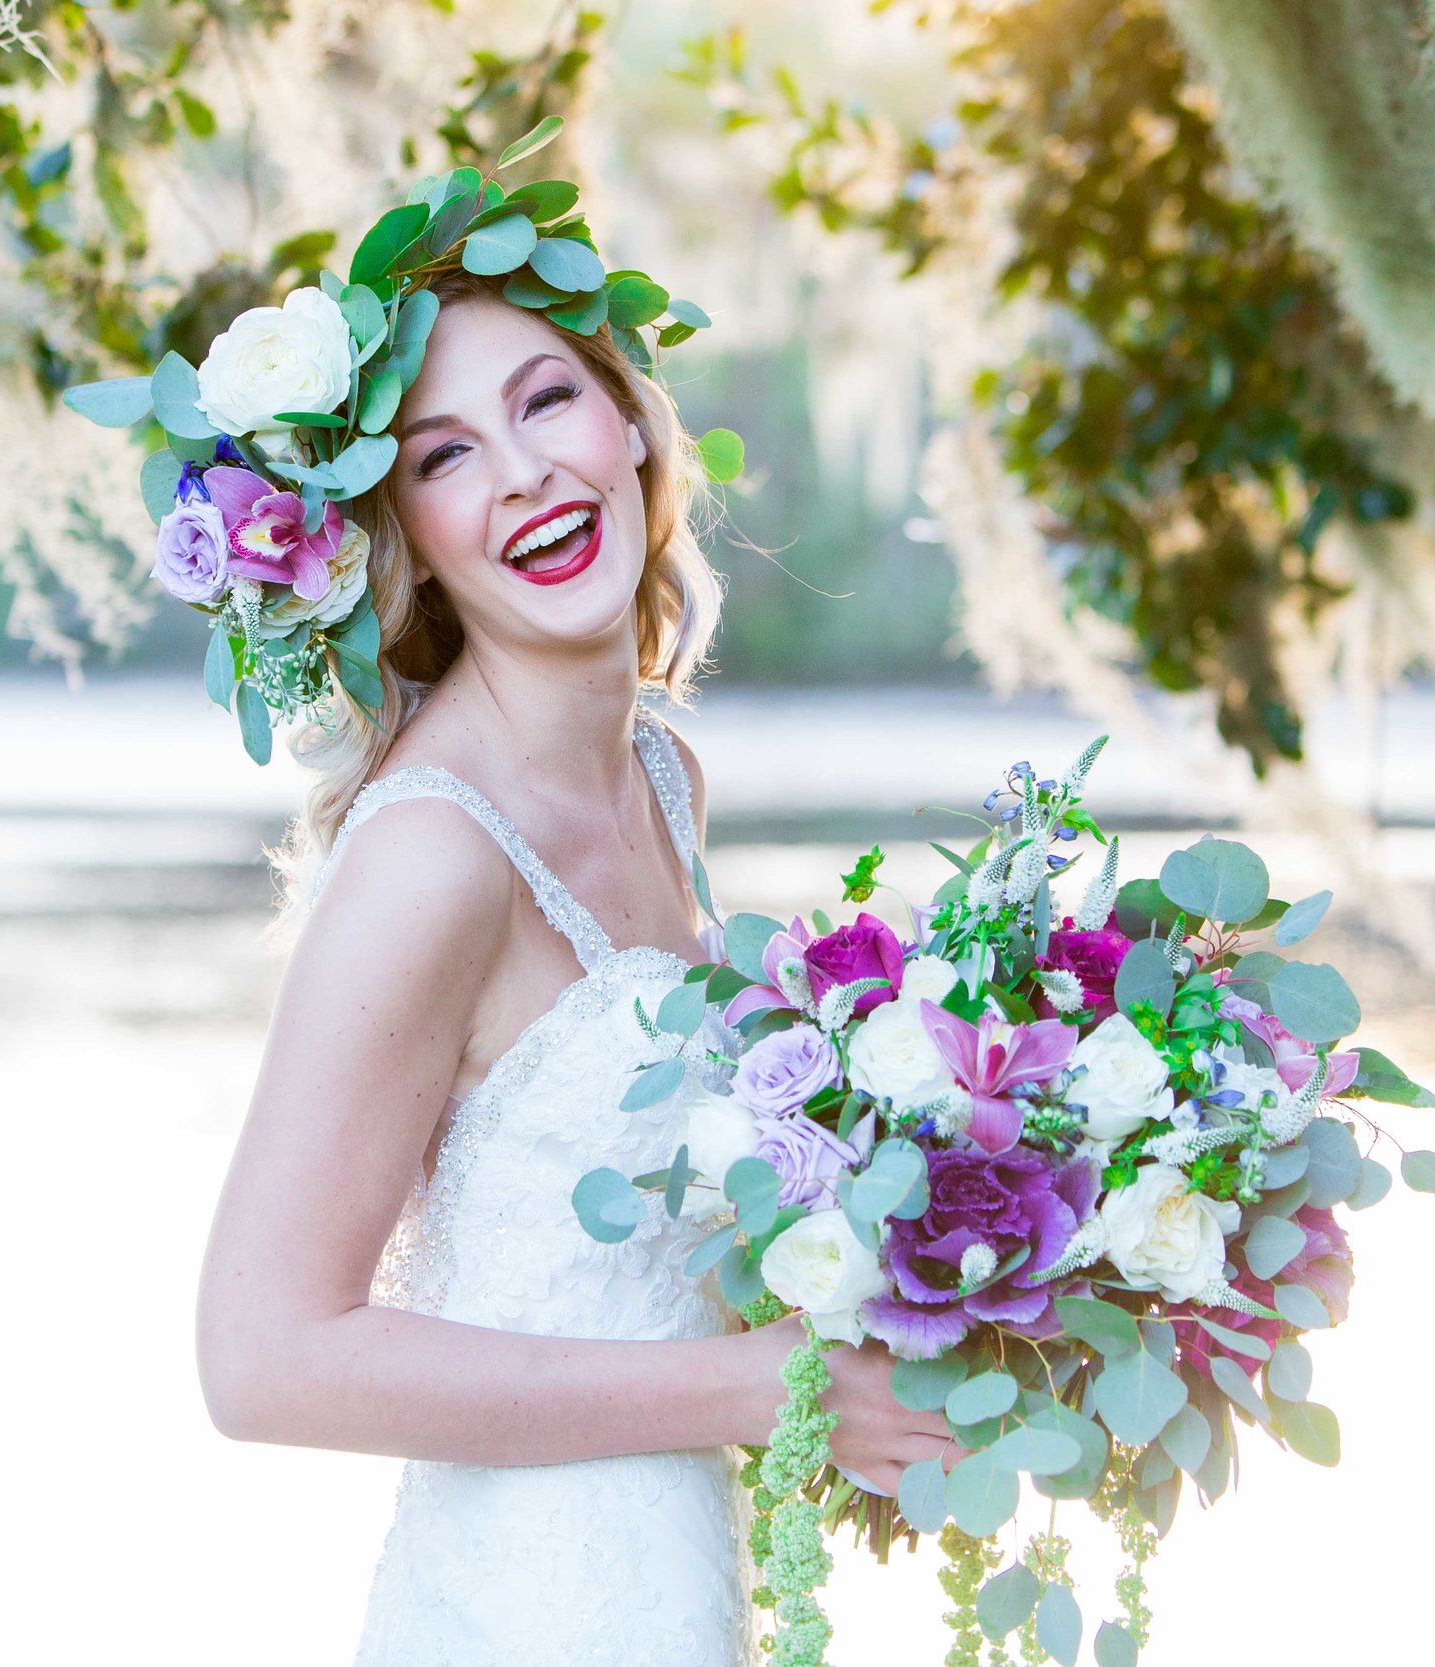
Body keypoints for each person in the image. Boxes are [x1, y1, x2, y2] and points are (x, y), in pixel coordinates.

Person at [190, 262, 955, 1664]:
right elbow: (261, 1359)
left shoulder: (661, 771)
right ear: (402, 540)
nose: (527, 472)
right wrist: (754, 1386)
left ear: (635, 424)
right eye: (446, 455)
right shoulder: (433, 856)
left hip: (674, 1575)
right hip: (523, 1604)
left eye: (549, 400)